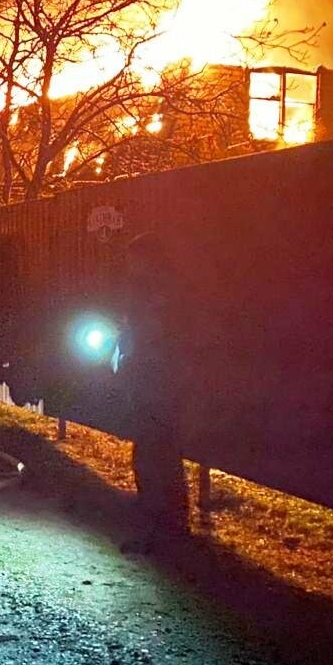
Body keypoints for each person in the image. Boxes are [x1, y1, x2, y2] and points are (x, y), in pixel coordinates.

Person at [115, 232, 189, 551]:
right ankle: (165, 528)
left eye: (135, 260)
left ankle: (162, 530)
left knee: (155, 457)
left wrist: (132, 360)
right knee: (156, 456)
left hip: (156, 385)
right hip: (154, 384)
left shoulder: (157, 294)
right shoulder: (158, 292)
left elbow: (152, 338)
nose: (131, 266)